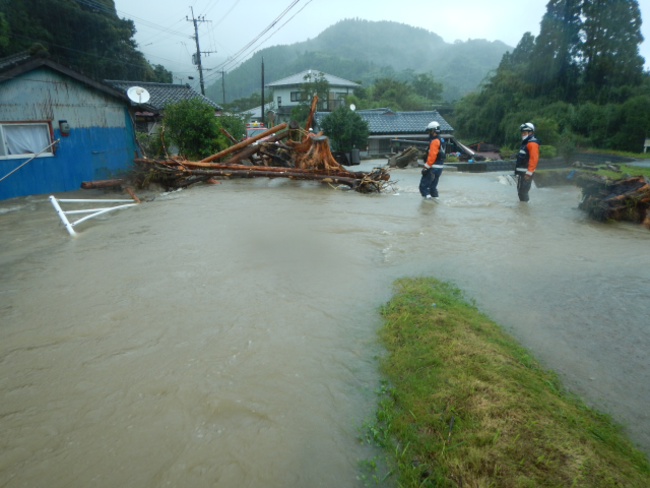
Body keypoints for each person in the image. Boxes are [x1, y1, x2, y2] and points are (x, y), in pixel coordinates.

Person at [419, 121, 446, 199]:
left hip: (432, 167)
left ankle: (427, 204)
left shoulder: (434, 141)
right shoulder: (442, 140)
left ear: (433, 131)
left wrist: (426, 167)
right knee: (433, 187)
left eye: (429, 131)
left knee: (423, 186)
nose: (429, 133)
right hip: (439, 167)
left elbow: (432, 155)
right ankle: (436, 201)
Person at [515, 122, 540, 202]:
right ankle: (523, 210)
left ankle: (525, 210)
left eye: (525, 132)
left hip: (526, 173)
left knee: (523, 192)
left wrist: (529, 173)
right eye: (522, 133)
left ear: (530, 132)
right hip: (522, 172)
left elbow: (534, 158)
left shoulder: (532, 143)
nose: (523, 134)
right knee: (521, 192)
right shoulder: (526, 143)